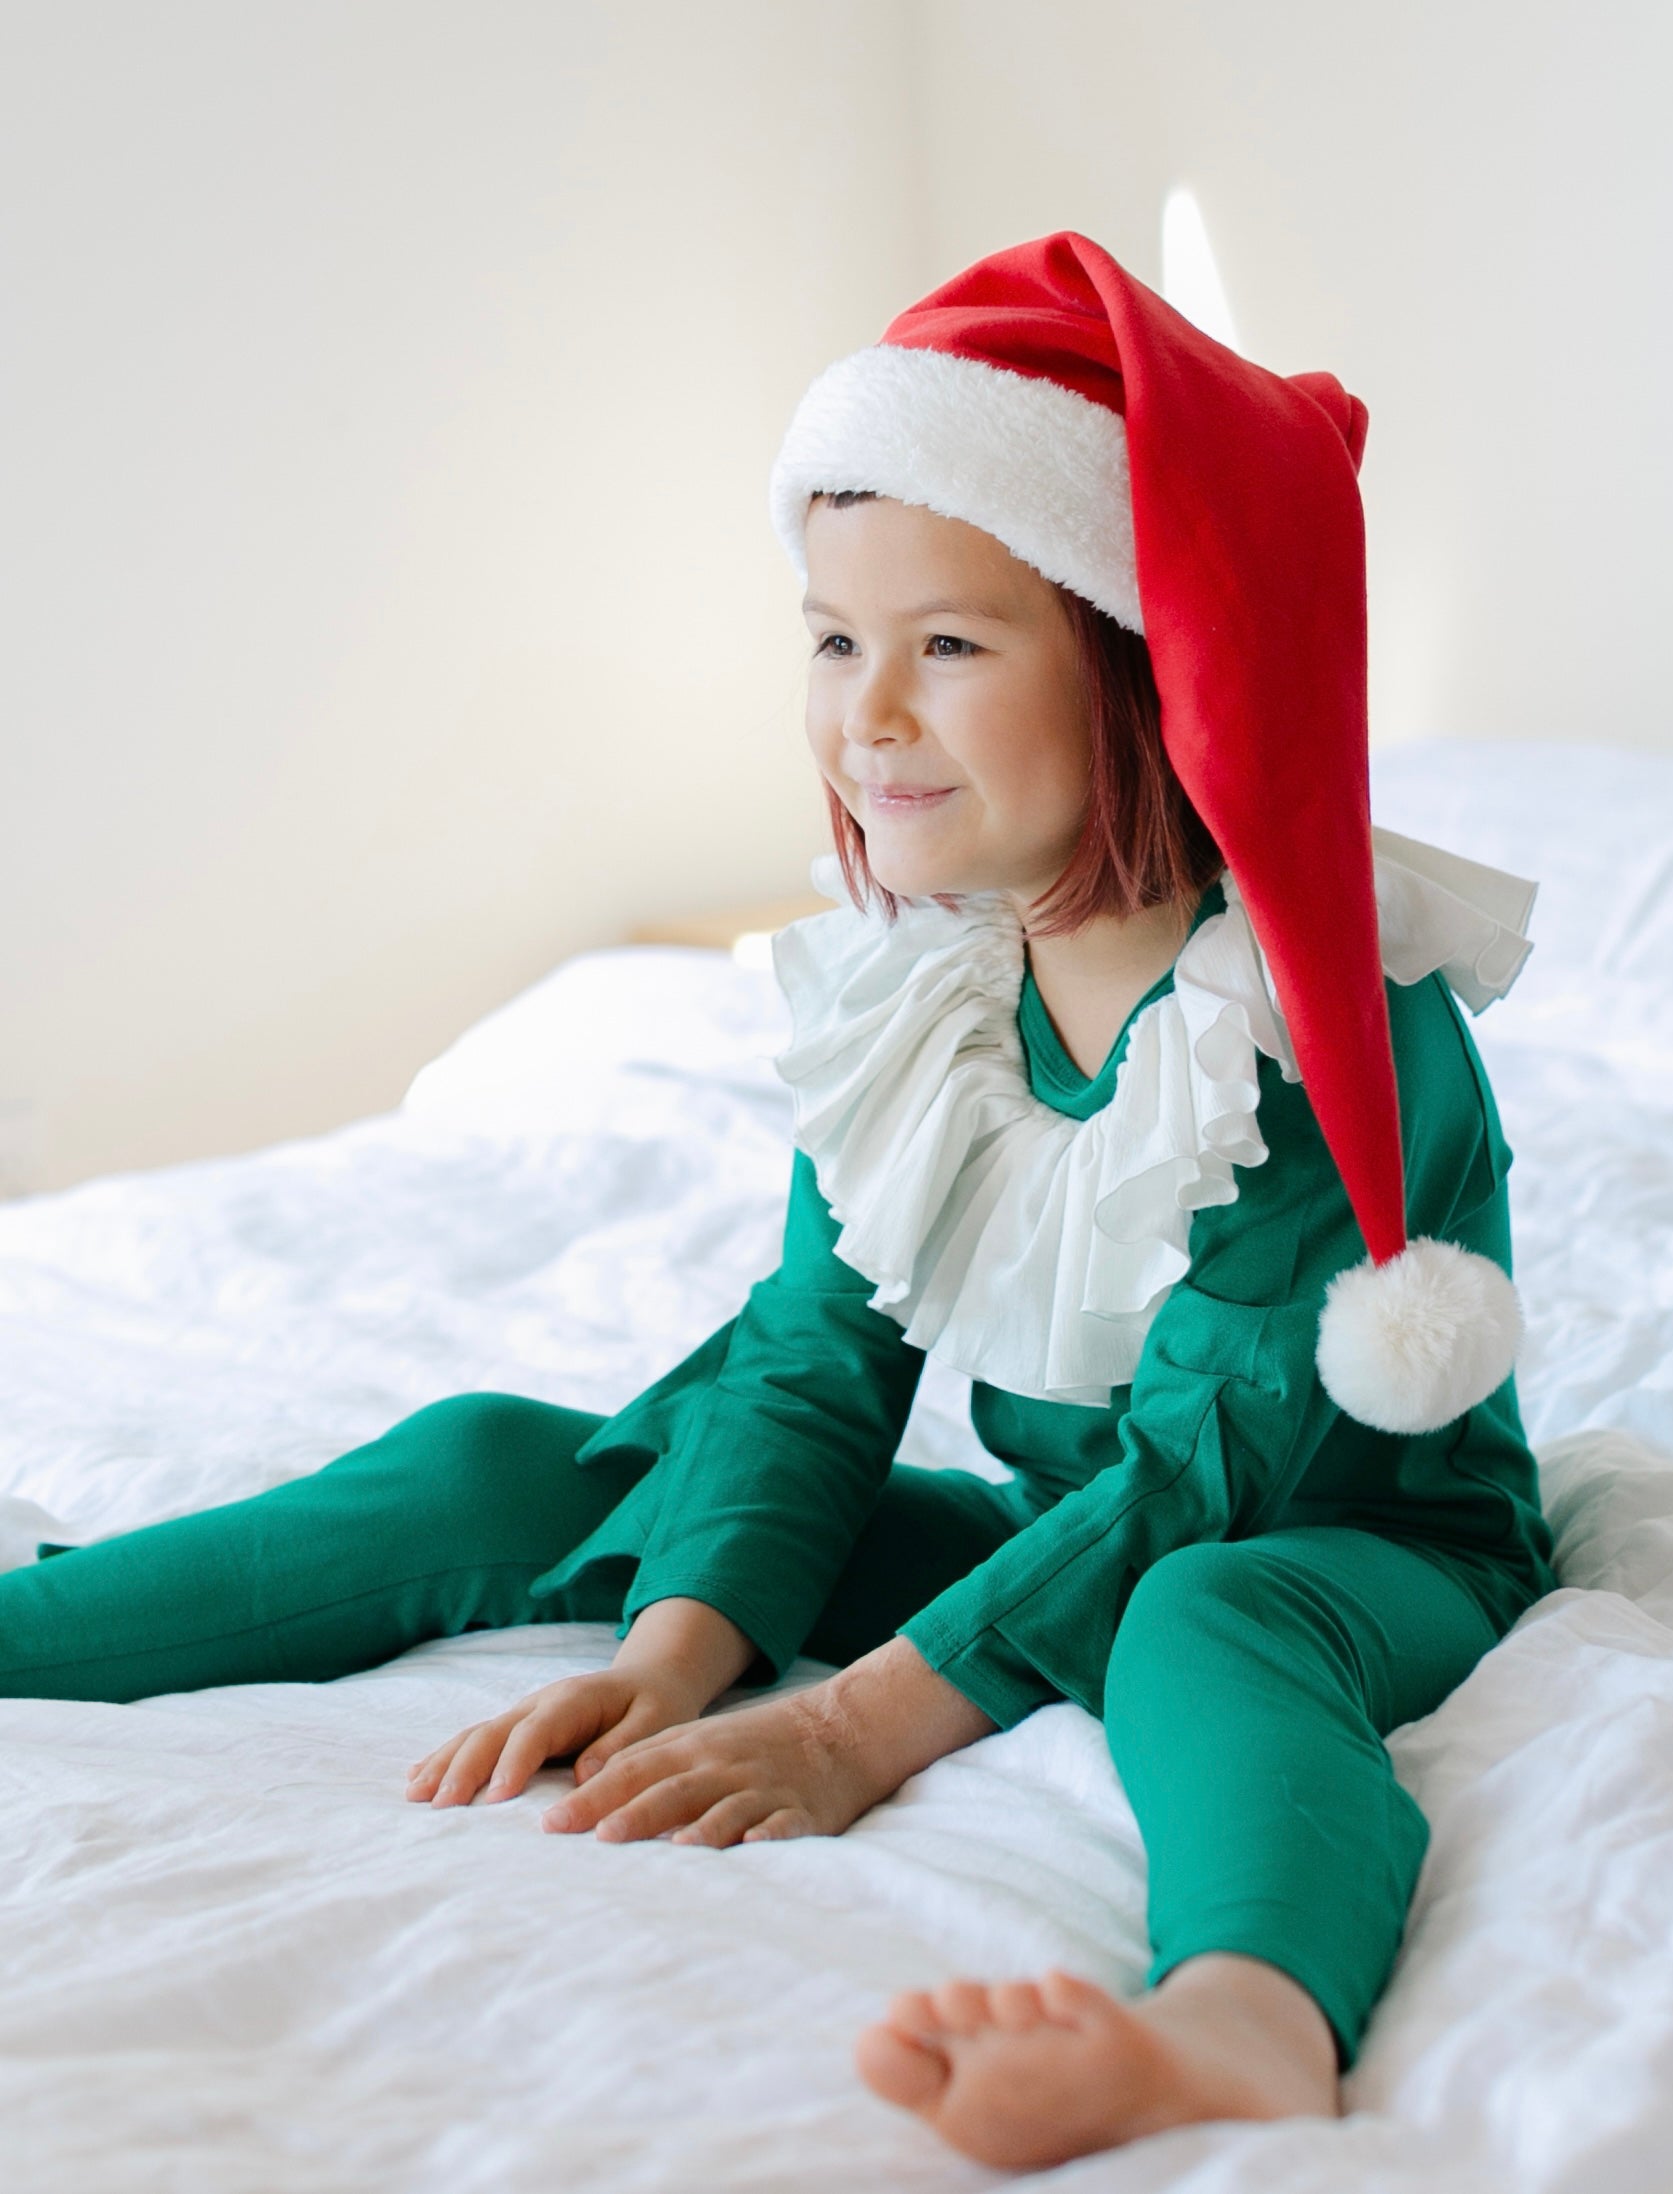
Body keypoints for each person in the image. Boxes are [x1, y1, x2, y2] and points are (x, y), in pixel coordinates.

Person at [0, 230, 1558, 2172]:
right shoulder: (933, 976)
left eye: (952, 643)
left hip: (1345, 1530)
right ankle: (24, 1627)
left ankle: (1241, 2018)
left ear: (1148, 669)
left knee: (1202, 1618)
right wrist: (682, 1639)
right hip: (1066, 1507)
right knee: (542, 1457)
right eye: (833, 636)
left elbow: (1205, 1473)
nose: (867, 711)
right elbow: (823, 1345)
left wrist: (848, 1725)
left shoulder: (1318, 1015)